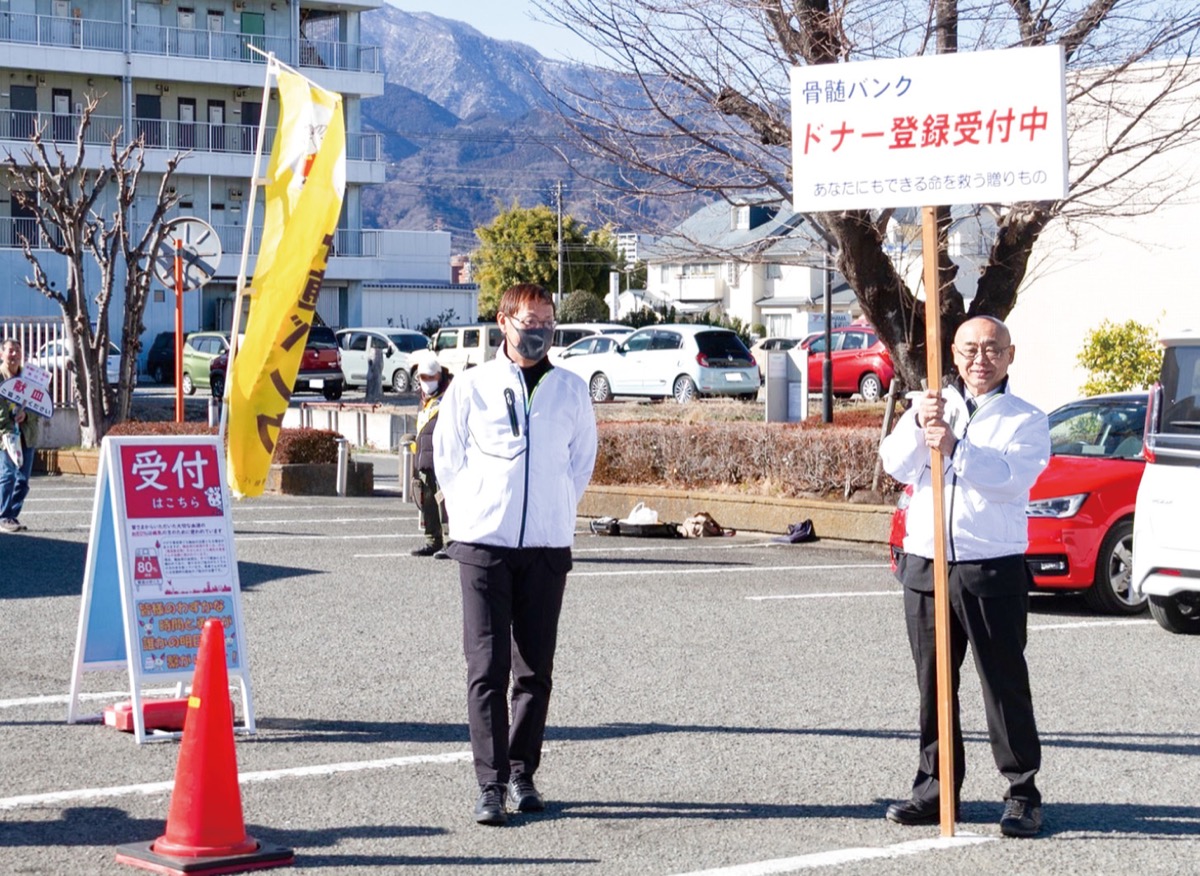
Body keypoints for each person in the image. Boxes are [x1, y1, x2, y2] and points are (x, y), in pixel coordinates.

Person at [879, 315, 1050, 839]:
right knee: (934, 686)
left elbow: (1009, 481)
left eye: (992, 349)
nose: (981, 359)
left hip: (991, 565)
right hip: (927, 565)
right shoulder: (932, 405)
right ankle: (935, 789)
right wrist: (916, 425)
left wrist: (955, 445)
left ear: (1010, 355)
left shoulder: (1026, 418)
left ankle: (1021, 792)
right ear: (953, 354)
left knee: (1003, 683)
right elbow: (896, 467)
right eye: (971, 350)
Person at [434, 283, 597, 826]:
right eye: (529, 320)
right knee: (486, 667)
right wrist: (472, 514)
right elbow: (448, 456)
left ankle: (523, 772)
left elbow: (581, 462)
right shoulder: (473, 386)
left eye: (547, 320)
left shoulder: (571, 389)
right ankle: (490, 782)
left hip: (547, 548)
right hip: (484, 546)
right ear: (504, 322)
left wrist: (555, 510)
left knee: (535, 670)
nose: (539, 329)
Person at [409, 350, 452, 558]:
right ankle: (432, 540)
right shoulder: (424, 400)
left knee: (445, 503)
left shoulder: (450, 397)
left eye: (430, 377)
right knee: (427, 503)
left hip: (444, 459)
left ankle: (451, 542)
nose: (426, 382)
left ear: (439, 376)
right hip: (425, 459)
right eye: (422, 378)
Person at [0, 339, 39, 534]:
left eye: (17, 351)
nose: (13, 355)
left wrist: (26, 415)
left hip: (27, 434)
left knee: (23, 480)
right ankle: (3, 516)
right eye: (9, 351)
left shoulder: (29, 378)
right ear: (1, 354)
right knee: (7, 476)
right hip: (5, 435)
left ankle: (12, 515)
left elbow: (40, 405)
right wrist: (7, 428)